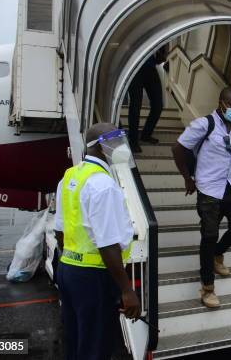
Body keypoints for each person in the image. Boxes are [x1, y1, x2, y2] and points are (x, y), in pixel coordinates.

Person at [54, 123, 140, 360]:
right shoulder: (103, 185)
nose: (120, 147)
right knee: (96, 346)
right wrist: (126, 289)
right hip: (94, 278)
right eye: (115, 141)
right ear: (101, 146)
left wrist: (69, 260)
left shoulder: (70, 177)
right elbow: (107, 243)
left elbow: (59, 230)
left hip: (69, 270)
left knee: (75, 339)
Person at [171, 88, 231, 308]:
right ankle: (207, 289)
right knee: (209, 236)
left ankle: (217, 254)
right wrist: (188, 179)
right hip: (208, 188)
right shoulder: (204, 124)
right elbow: (178, 148)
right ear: (221, 102)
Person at [127, 48, 166, 153]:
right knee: (135, 105)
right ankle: (133, 141)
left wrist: (161, 54)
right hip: (134, 68)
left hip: (150, 67)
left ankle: (146, 135)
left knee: (158, 105)